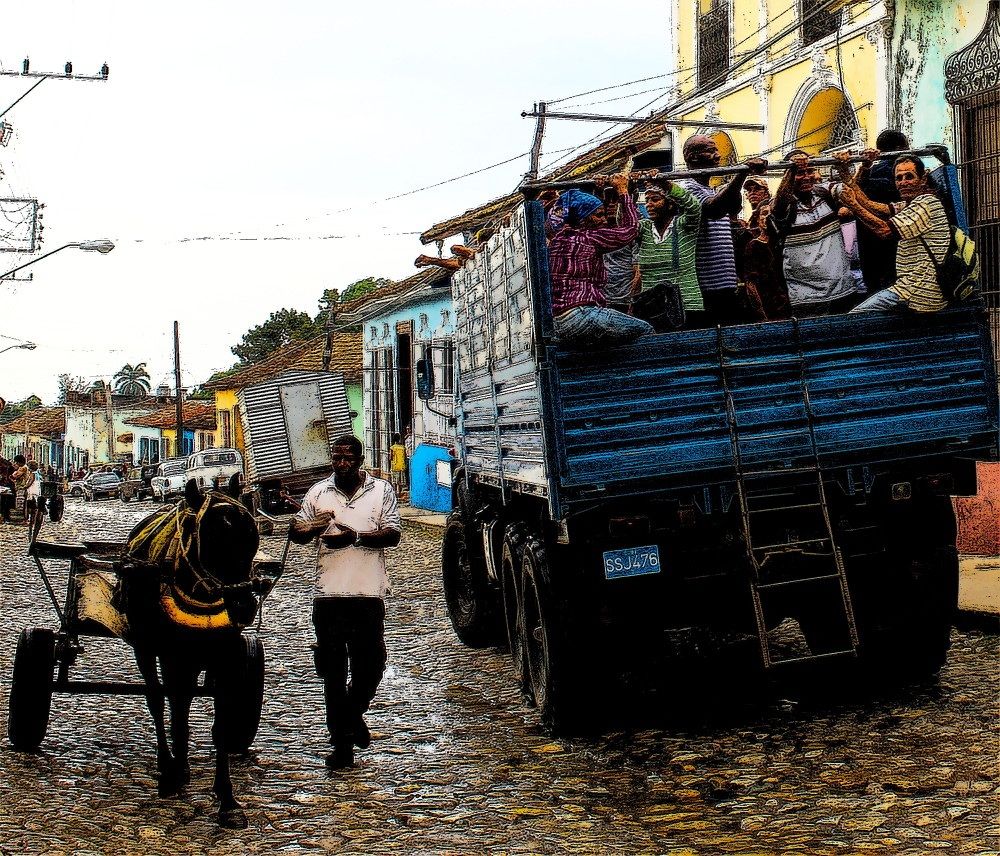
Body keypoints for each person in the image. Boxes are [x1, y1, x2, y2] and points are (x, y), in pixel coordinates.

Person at [289, 435, 402, 769]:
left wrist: (355, 537)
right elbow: (296, 532)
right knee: (334, 673)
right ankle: (341, 747)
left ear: (360, 458)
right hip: (329, 596)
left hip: (368, 594)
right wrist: (311, 528)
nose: (341, 463)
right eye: (336, 458)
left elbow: (393, 534)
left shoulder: (382, 491)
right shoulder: (318, 492)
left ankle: (352, 716)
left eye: (347, 458)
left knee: (371, 667)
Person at [546, 173, 653, 347]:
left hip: (559, 322)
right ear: (583, 218)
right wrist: (622, 190)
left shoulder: (558, 240)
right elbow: (631, 229)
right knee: (646, 331)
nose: (604, 220)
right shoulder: (590, 238)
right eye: (598, 215)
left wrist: (600, 188)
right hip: (582, 315)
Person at [675, 135, 767, 325]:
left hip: (725, 285)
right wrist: (742, 172)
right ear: (692, 157)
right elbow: (714, 209)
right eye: (710, 151)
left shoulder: (710, 190)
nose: (717, 156)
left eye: (717, 150)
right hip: (706, 287)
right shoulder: (687, 191)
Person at [844, 155, 952, 313]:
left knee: (855, 319)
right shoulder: (910, 204)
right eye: (899, 178)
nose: (903, 183)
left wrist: (852, 205)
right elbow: (869, 204)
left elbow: (884, 230)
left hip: (917, 292)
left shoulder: (926, 203)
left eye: (909, 177)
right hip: (910, 288)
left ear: (923, 179)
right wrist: (848, 178)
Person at [768, 151, 857, 316]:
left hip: (843, 289)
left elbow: (853, 194)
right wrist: (791, 169)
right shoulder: (784, 205)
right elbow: (779, 205)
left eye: (809, 171)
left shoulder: (824, 192)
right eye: (800, 173)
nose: (806, 176)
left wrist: (848, 167)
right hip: (806, 298)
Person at [631, 179, 702, 331]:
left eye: (655, 199)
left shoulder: (683, 226)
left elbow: (694, 207)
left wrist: (667, 185)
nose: (648, 204)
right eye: (647, 200)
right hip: (652, 309)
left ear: (670, 204)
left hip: (686, 306)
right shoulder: (644, 228)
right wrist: (628, 192)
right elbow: (625, 226)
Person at [855, 131, 908, 293]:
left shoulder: (868, 175)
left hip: (869, 253)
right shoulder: (900, 177)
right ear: (900, 148)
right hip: (896, 251)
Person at [389, 433, 406, 498]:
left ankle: (395, 492)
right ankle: (399, 493)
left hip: (395, 466)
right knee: (400, 481)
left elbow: (390, 458)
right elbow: (404, 457)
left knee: (395, 481)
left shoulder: (392, 448)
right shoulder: (403, 447)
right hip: (402, 466)